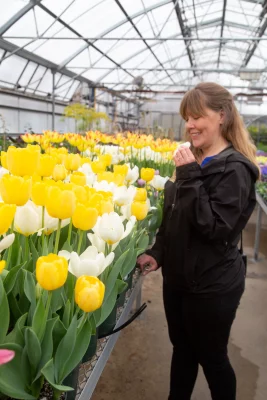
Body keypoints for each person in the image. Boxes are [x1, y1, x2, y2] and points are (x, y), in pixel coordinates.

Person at [137, 82, 259, 400]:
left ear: (222, 116)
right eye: (186, 118)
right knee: (183, 350)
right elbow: (174, 216)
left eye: (196, 117)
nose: (189, 125)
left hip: (212, 284)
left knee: (212, 358)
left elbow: (216, 229)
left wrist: (189, 174)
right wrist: (158, 252)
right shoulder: (194, 158)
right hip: (178, 279)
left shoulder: (236, 169)